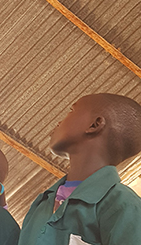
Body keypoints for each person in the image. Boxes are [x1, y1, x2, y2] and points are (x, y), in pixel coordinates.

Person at [18, 93, 141, 245]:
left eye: (71, 110)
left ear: (94, 125)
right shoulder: (42, 203)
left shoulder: (123, 206)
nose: (59, 122)